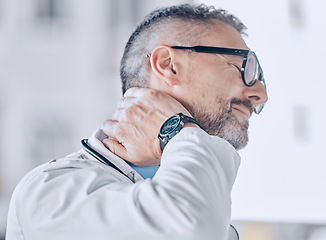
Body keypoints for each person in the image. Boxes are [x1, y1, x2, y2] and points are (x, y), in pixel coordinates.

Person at [6, 4, 268, 240]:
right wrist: (177, 129)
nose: (260, 95)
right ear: (168, 65)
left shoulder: (214, 213)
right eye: (244, 67)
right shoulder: (49, 193)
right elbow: (187, 227)